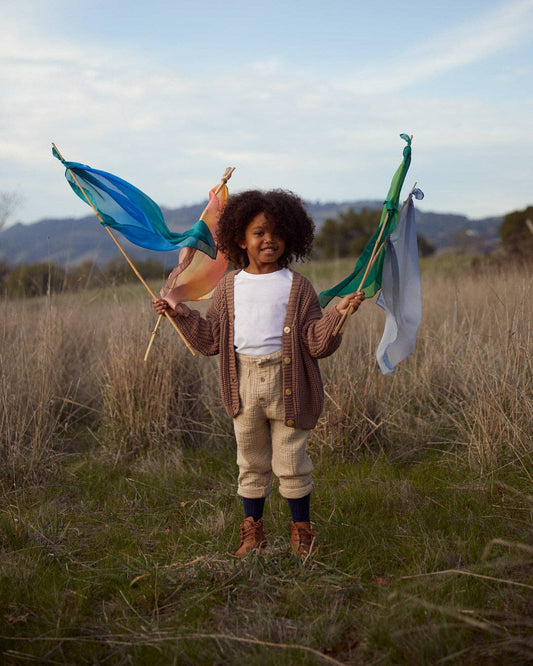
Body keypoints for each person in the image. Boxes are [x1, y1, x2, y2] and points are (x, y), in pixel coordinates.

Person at [153, 189, 364, 559]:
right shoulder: (229, 288)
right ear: (240, 239)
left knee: (292, 462)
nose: (270, 240)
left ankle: (302, 532)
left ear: (291, 237)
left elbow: (315, 343)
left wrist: (338, 315)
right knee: (250, 462)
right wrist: (179, 313)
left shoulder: (298, 287)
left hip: (291, 386)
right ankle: (253, 534)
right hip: (243, 386)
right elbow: (210, 341)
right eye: (259, 233)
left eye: (278, 233)